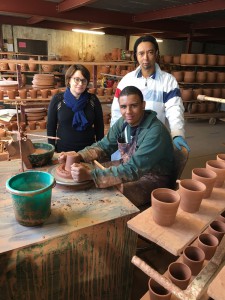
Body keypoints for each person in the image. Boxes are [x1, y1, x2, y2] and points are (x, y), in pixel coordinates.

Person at [60, 86, 175, 208]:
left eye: (134, 105)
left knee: (109, 195)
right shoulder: (124, 122)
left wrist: (90, 175)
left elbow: (134, 169)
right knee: (92, 169)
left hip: (153, 178)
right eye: (123, 107)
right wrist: (79, 156)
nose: (128, 112)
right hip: (128, 165)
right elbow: (104, 145)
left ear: (143, 105)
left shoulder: (155, 132)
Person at [110, 35, 190, 158]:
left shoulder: (168, 81)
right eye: (141, 53)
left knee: (152, 173)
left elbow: (175, 109)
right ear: (136, 56)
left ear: (156, 54)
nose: (145, 58)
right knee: (126, 171)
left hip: (154, 139)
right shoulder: (126, 80)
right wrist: (115, 135)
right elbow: (116, 110)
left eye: (150, 52)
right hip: (128, 139)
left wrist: (177, 133)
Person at [47, 64, 104, 152]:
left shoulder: (93, 100)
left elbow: (99, 127)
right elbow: (51, 127)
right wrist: (51, 150)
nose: (80, 84)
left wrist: (99, 149)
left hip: (88, 151)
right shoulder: (58, 100)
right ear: (69, 80)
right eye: (76, 79)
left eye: (84, 80)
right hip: (63, 151)